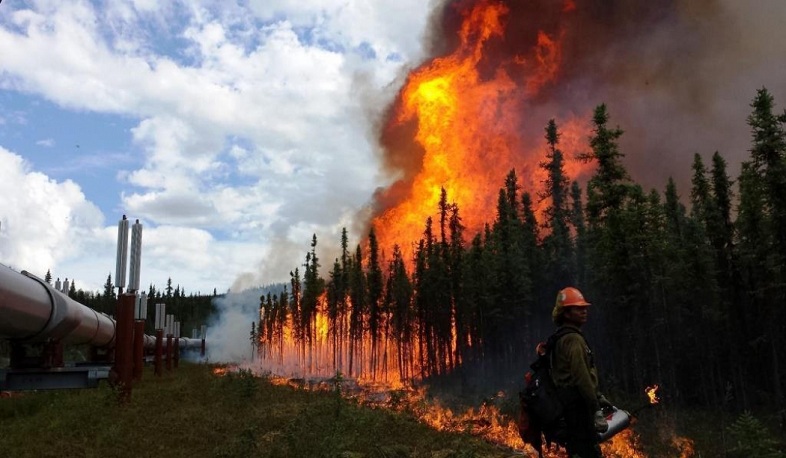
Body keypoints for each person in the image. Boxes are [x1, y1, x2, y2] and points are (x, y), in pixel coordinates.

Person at [550, 286, 611, 458]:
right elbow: (581, 376)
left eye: (584, 308)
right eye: (579, 308)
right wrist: (595, 408)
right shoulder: (573, 339)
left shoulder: (561, 337)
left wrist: (598, 396)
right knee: (588, 452)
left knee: (578, 451)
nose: (584, 311)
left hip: (568, 407)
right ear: (567, 313)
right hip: (578, 408)